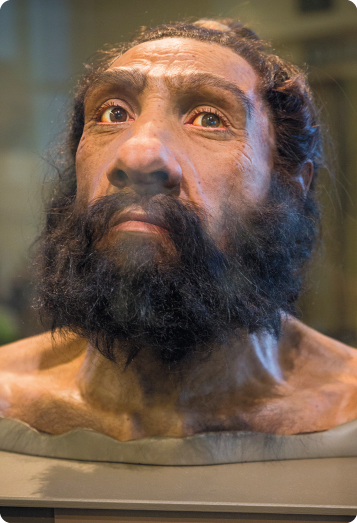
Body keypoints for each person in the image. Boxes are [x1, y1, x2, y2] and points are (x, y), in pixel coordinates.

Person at [1, 19, 357, 465]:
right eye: (114, 113)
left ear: (287, 186)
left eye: (209, 119)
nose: (139, 155)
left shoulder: (348, 409)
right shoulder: (6, 397)